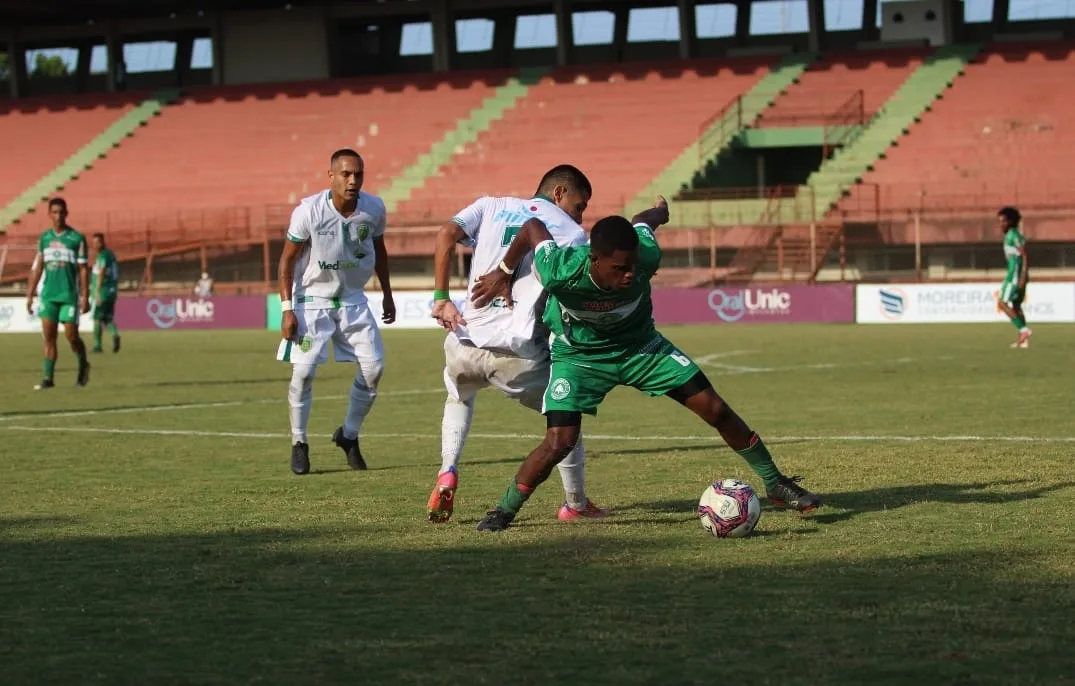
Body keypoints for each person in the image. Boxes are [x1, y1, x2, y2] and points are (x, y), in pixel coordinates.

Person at [469, 196, 822, 532]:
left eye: (634, 266)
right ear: (593, 259)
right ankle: (504, 510)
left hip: (642, 348)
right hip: (579, 358)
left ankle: (776, 484)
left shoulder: (645, 255)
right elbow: (532, 227)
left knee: (715, 408)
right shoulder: (559, 269)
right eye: (620, 268)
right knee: (560, 440)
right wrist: (504, 269)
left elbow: (643, 223)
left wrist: (660, 213)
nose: (629, 275)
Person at [427, 164, 605, 523]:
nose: (580, 215)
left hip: (465, 341)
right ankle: (575, 504)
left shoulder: (490, 205)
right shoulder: (572, 234)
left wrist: (442, 296)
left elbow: (446, 234)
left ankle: (448, 469)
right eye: (580, 204)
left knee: (458, 395)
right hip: (517, 355)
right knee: (565, 422)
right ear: (559, 193)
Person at [276, 148, 396, 475]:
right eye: (345, 174)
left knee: (374, 370)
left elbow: (380, 252)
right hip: (310, 302)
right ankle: (299, 442)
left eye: (358, 174)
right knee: (303, 373)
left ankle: (349, 435)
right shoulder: (309, 212)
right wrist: (286, 310)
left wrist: (387, 294)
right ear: (331, 176)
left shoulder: (374, 209)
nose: (352, 180)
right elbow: (286, 261)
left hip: (354, 302)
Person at [26, 198, 91, 390]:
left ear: (67, 213)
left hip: (68, 295)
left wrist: (85, 297)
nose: (58, 216)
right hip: (48, 295)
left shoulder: (76, 238)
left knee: (71, 336)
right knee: (49, 337)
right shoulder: (45, 238)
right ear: (49, 214)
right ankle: (48, 378)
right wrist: (30, 294)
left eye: (61, 212)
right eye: (54, 212)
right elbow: (38, 268)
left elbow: (83, 270)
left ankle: (83, 365)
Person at [996, 206, 1031, 348]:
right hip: (1015, 274)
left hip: (1014, 276)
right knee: (1016, 306)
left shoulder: (1014, 236)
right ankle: (1024, 340)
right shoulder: (1010, 235)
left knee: (1002, 303)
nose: (1000, 224)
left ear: (1010, 221)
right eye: (999, 221)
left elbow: (1024, 255)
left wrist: (1023, 275)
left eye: (1003, 221)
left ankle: (1024, 330)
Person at [90, 233, 121, 353]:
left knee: (97, 318)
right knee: (107, 318)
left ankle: (97, 346)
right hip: (112, 291)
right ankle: (115, 334)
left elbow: (102, 272)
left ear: (103, 242)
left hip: (103, 291)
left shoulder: (103, 256)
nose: (95, 245)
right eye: (94, 243)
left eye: (98, 242)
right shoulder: (110, 254)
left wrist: (97, 291)